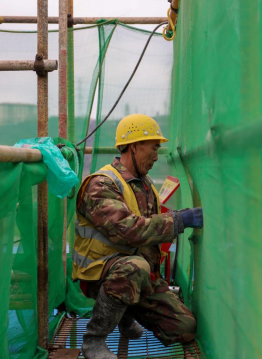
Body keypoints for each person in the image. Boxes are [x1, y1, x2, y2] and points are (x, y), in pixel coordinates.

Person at [72, 114, 203, 359]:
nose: (156, 156)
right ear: (134, 147)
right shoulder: (101, 184)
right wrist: (179, 221)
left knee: (184, 329)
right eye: (154, 148)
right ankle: (94, 341)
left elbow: (149, 229)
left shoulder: (145, 185)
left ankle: (124, 314)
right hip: (100, 273)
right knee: (135, 267)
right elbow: (129, 229)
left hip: (137, 274)